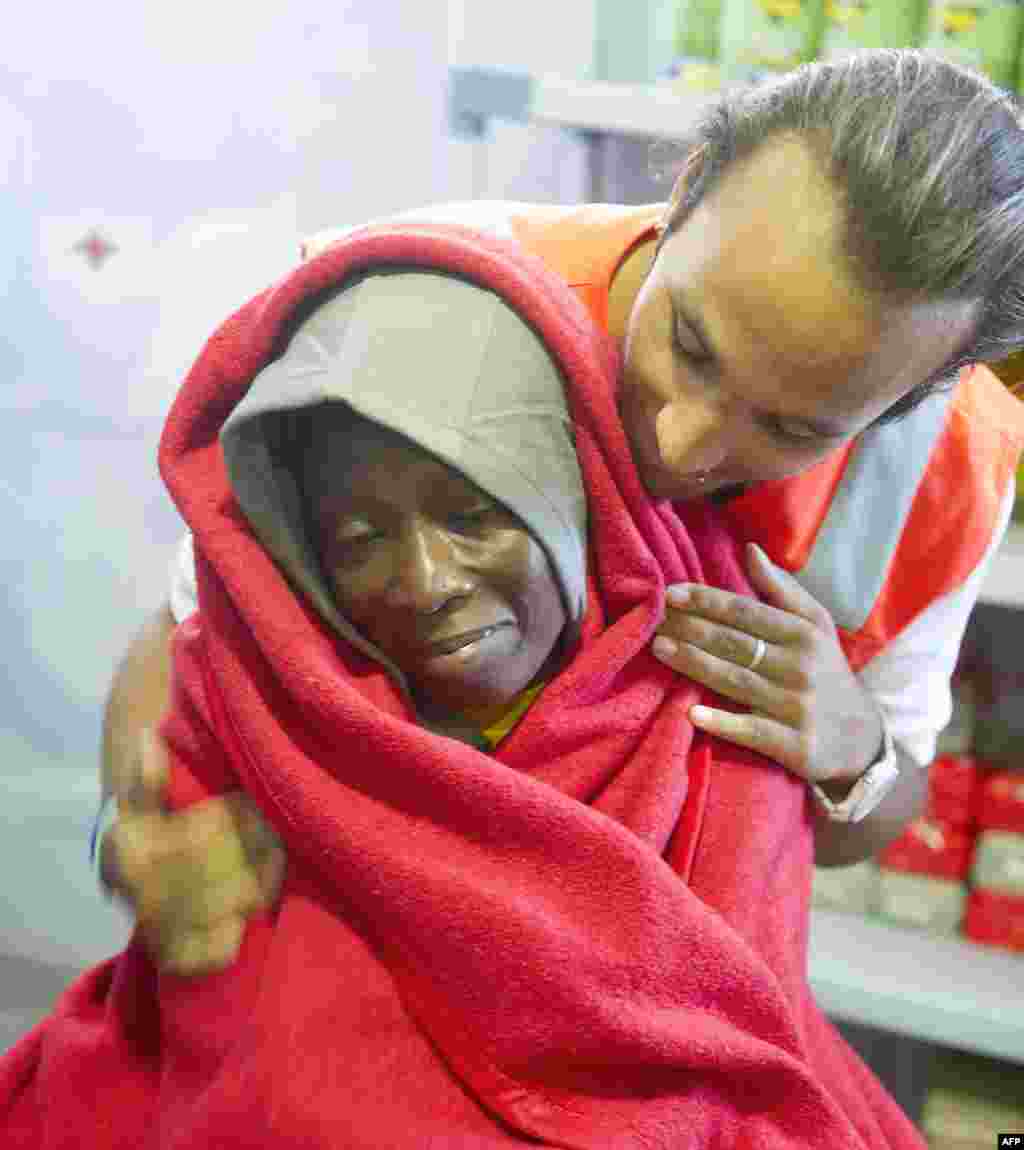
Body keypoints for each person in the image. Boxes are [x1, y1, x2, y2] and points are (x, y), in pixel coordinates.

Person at [99, 49, 1024, 975]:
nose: (684, 442)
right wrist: (139, 831)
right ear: (691, 186)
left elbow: (873, 806)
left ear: (917, 396)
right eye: (690, 344)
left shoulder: (950, 470)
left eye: (791, 427)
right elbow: (188, 627)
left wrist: (850, 746)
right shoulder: (434, 305)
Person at [3, 224, 929, 1148]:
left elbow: (721, 1073)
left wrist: (862, 752)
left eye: (475, 516)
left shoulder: (708, 706)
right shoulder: (269, 690)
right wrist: (135, 830)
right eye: (360, 542)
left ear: (576, 499)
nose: (429, 582)